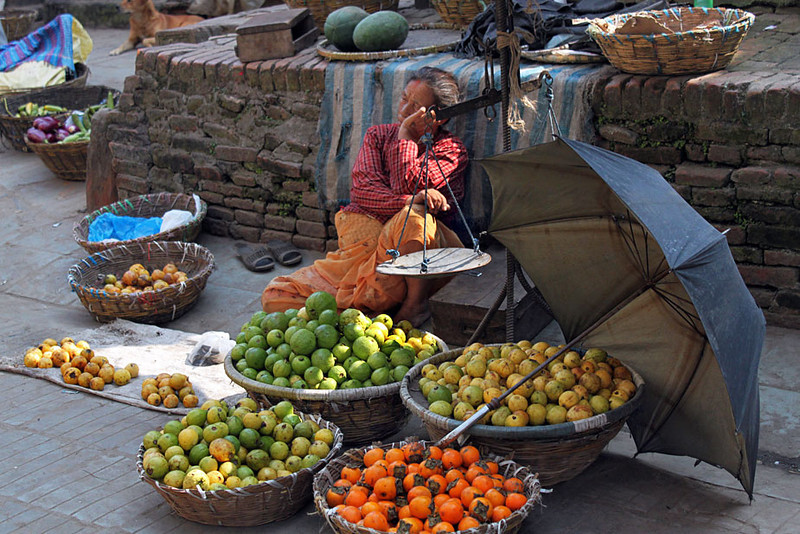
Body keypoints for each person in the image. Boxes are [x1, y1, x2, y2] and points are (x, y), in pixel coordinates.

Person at [261, 67, 469, 326]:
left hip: (418, 260)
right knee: (275, 296)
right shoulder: (378, 136)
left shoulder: (450, 150)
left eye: (416, 107)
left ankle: (415, 305)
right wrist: (407, 200)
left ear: (440, 118)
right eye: (405, 98)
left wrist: (405, 138)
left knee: (414, 218)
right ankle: (366, 313)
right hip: (366, 260)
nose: (404, 111)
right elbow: (364, 192)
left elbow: (411, 183)